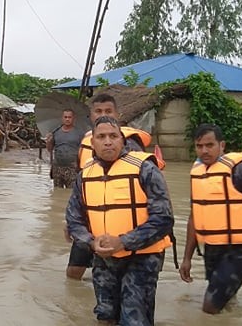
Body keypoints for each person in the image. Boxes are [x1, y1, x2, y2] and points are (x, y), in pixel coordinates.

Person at [66, 116, 174, 325]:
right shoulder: (85, 174)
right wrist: (90, 242)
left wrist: (123, 242)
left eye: (113, 136)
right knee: (105, 316)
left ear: (122, 140)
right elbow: (73, 218)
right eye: (102, 137)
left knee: (134, 319)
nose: (108, 141)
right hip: (103, 258)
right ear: (93, 143)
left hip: (142, 257)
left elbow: (164, 219)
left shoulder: (145, 168)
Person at [65, 93, 162, 280]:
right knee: (73, 274)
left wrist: (125, 240)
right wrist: (70, 221)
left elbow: (147, 193)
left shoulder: (131, 145)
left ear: (117, 114)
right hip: (91, 224)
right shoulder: (87, 143)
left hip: (125, 229)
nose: (102, 115)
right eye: (98, 111)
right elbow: (82, 186)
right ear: (91, 115)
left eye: (108, 111)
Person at [179, 124, 242, 314]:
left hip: (239, 250)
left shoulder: (241, 170)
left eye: (209, 145)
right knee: (226, 302)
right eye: (199, 146)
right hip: (212, 248)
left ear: (222, 145)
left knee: (210, 307)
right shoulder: (197, 173)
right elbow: (194, 216)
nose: (204, 150)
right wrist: (186, 258)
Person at [46, 109, 86, 189]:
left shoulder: (80, 133)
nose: (67, 119)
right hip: (57, 167)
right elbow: (49, 149)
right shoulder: (55, 132)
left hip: (72, 168)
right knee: (57, 192)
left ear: (73, 118)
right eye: (65, 117)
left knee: (71, 192)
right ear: (62, 118)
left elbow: (83, 151)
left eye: (69, 117)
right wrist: (48, 141)